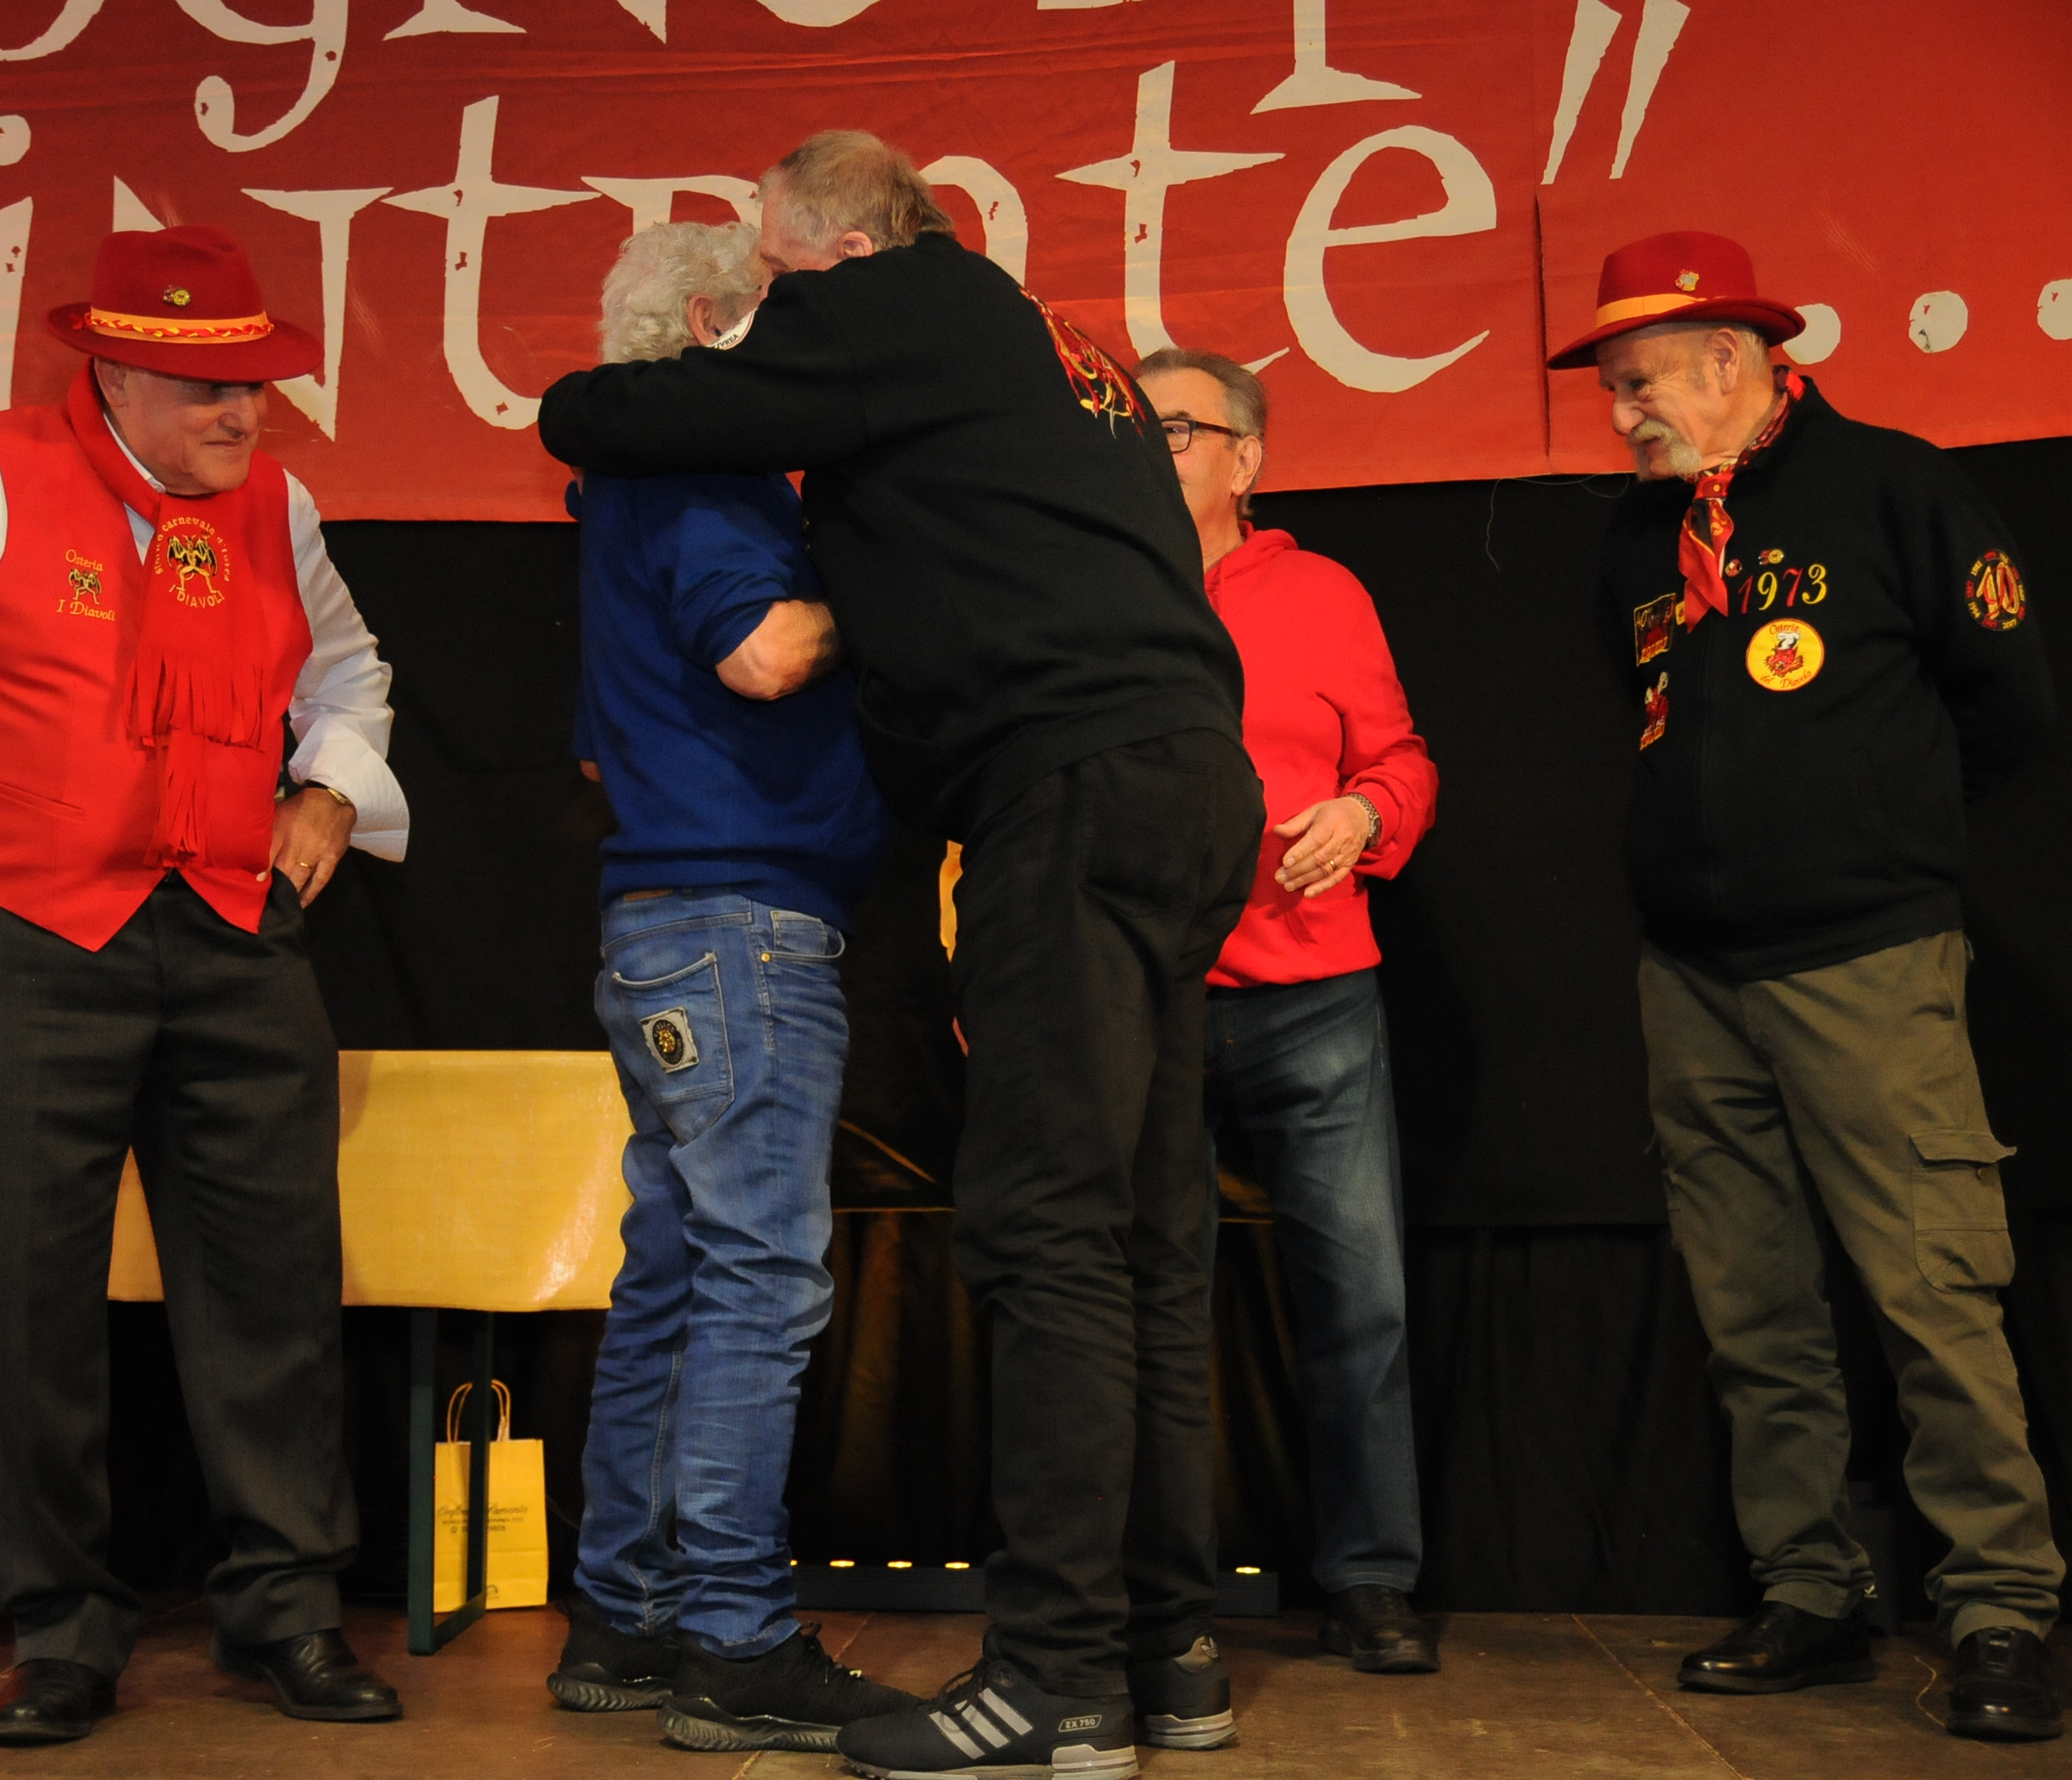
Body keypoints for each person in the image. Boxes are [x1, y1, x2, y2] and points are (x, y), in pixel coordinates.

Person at [540, 132, 1264, 1780]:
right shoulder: (1067, 360)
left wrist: (609, 400)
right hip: (1185, 780)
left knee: (1045, 1239)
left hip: (1064, 794)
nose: (777, 319)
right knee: (1148, 1238)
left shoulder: (901, 306)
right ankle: (1167, 1649)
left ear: (846, 256)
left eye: (783, 281)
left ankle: (1058, 1679)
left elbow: (608, 417)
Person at [0, 226, 411, 1747]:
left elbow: (350, 670)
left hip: (231, 933)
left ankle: (287, 1607)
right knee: (34, 1295)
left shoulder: (278, 504)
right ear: (115, 374)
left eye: (252, 386)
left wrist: (328, 789)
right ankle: (61, 1625)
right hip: (21, 934)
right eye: (205, 389)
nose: (241, 414)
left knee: (272, 1286)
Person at [1552, 231, 2063, 1742]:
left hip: (1863, 962)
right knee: (1752, 1306)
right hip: (1692, 975)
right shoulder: (1640, 540)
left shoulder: (1892, 486)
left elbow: (2010, 707)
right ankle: (1811, 1589)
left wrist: (1872, 843)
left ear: (1732, 356)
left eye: (1639, 381)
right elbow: (1651, 714)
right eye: (1610, 387)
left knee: (1929, 1289)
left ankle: (2000, 1609)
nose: (1622, 412)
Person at [542, 219, 913, 1754]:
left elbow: (596, 749)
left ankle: (624, 1620)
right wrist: (901, 596)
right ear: (712, 326)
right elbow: (763, 654)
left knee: (680, 1280)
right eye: (778, 318)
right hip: (742, 925)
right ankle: (735, 1643)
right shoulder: (703, 477)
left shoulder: (626, 497)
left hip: (667, 923)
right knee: (759, 1281)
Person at [1134, 348, 1441, 1674]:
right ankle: (1162, 1593)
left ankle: (1370, 1580)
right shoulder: (1098, 589)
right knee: (1152, 1306)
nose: (1145, 450)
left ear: (1246, 459)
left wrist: (1368, 813)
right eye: (1129, 429)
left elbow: (1403, 759)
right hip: (1144, 994)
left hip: (1314, 992)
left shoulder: (1323, 593)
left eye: (1173, 430)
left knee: (1359, 1300)